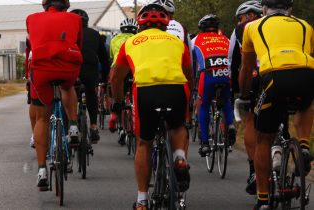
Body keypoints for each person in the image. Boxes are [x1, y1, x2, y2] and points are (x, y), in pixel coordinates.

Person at [111, 3, 193, 209]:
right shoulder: (177, 42)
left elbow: (116, 78)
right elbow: (189, 72)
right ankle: (180, 157)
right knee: (179, 126)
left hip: (146, 92)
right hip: (176, 88)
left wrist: (119, 102)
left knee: (144, 143)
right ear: (166, 25)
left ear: (140, 25)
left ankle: (141, 200)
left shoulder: (130, 43)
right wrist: (190, 96)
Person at [239, 0, 314, 209]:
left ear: (263, 10)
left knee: (264, 139)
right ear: (290, 10)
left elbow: (246, 68)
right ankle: (305, 147)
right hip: (307, 73)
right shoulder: (305, 25)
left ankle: (263, 199)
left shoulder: (252, 27)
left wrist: (244, 94)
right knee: (305, 104)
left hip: (274, 77)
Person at [26, 0, 83, 191]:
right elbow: (79, 44)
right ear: (65, 6)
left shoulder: (31, 19)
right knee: (68, 88)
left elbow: (32, 44)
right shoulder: (75, 18)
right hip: (68, 66)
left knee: (42, 118)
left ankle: (42, 170)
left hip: (41, 69)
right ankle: (73, 126)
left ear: (45, 5)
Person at [228, 0, 263, 195]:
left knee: (250, 119)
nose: (240, 21)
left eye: (241, 17)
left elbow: (232, 60)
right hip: (295, 74)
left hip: (257, 75)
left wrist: (236, 89)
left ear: (250, 15)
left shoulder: (242, 29)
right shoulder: (285, 21)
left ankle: (253, 171)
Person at [191, 14, 236, 157]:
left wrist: (192, 81)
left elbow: (191, 63)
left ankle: (205, 143)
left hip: (208, 75)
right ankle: (230, 125)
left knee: (203, 105)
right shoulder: (226, 39)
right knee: (227, 100)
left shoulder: (196, 40)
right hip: (225, 74)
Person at [70, 8, 110, 143]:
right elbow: (104, 60)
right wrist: (104, 78)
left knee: (69, 94)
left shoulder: (68, 33)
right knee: (91, 93)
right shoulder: (95, 34)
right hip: (90, 70)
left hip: (72, 70)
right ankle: (93, 126)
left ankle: (72, 126)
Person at [108, 18, 138, 144]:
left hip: (119, 68)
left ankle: (117, 118)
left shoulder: (114, 40)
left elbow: (111, 58)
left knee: (118, 96)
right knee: (135, 96)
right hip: (134, 68)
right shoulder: (138, 39)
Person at [24, 37, 35, 148]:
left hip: (36, 68)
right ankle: (71, 127)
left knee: (35, 103)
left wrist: (27, 77)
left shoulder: (30, 36)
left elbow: (27, 58)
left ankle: (35, 136)